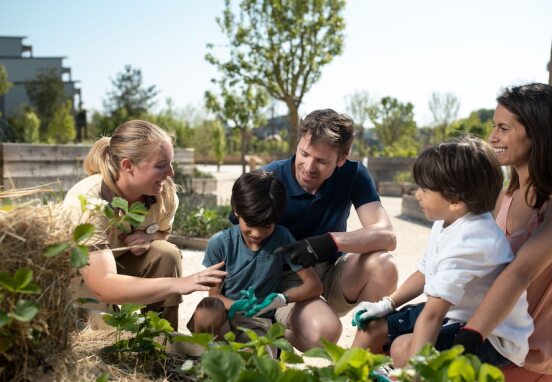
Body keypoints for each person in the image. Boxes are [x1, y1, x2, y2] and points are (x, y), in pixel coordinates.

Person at [453, 83, 552, 382]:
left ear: (538, 134)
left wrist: (469, 335)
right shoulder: (506, 196)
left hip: (532, 348)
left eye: (504, 128)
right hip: (495, 332)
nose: (492, 138)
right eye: (494, 127)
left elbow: (520, 273)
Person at [351, 136, 533, 369]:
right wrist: (387, 304)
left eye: (424, 189)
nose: (417, 195)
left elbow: (433, 316)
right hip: (454, 314)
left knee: (402, 348)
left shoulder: (473, 240)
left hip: (492, 337)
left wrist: (413, 374)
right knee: (371, 325)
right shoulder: (447, 219)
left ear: (455, 199)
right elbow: (426, 270)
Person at [63, 120, 226, 331]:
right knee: (107, 334)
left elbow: (162, 233)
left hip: (117, 263)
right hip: (82, 275)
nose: (171, 172)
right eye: (161, 165)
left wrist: (150, 238)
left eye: (171, 162)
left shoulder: (163, 194)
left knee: (165, 254)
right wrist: (178, 283)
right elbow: (103, 284)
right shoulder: (88, 202)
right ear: (128, 166)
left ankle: (160, 340)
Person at [261, 109, 397, 350]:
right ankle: (268, 325)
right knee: (324, 335)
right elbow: (236, 242)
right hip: (286, 281)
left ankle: (359, 359)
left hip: (331, 269)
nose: (308, 167)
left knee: (385, 265)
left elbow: (387, 235)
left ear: (342, 158)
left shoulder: (353, 174)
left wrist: (329, 241)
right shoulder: (268, 178)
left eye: (322, 161)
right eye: (304, 153)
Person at [188, 171, 323, 344]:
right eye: (250, 225)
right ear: (236, 211)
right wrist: (237, 305)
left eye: (266, 226)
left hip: (259, 322)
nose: (257, 233)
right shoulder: (220, 243)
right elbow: (214, 295)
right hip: (225, 318)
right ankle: (212, 355)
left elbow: (315, 285)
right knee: (207, 310)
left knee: (252, 357)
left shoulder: (282, 238)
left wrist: (281, 299)